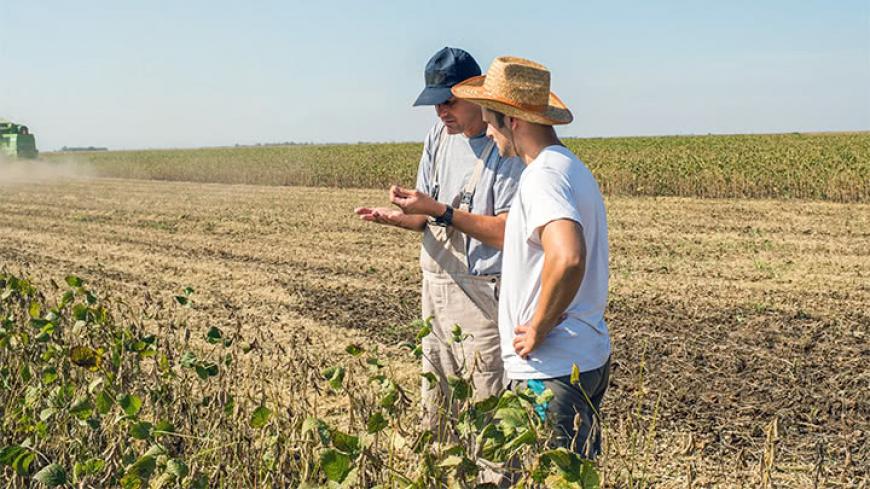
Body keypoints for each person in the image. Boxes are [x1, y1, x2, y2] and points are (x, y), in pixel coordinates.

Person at [354, 48, 525, 436]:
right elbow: (426, 216)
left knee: (487, 411)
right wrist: (399, 217)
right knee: (437, 406)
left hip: (483, 298)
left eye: (448, 102)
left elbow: (508, 233)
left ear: (477, 93)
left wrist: (440, 210)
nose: (441, 113)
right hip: (434, 291)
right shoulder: (438, 136)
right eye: (435, 104)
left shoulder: (508, 148)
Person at [452, 56, 611, 458]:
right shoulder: (571, 167)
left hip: (551, 370)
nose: (488, 132)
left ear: (514, 121)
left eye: (490, 120)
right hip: (582, 358)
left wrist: (538, 325)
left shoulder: (542, 176)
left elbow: (569, 255)